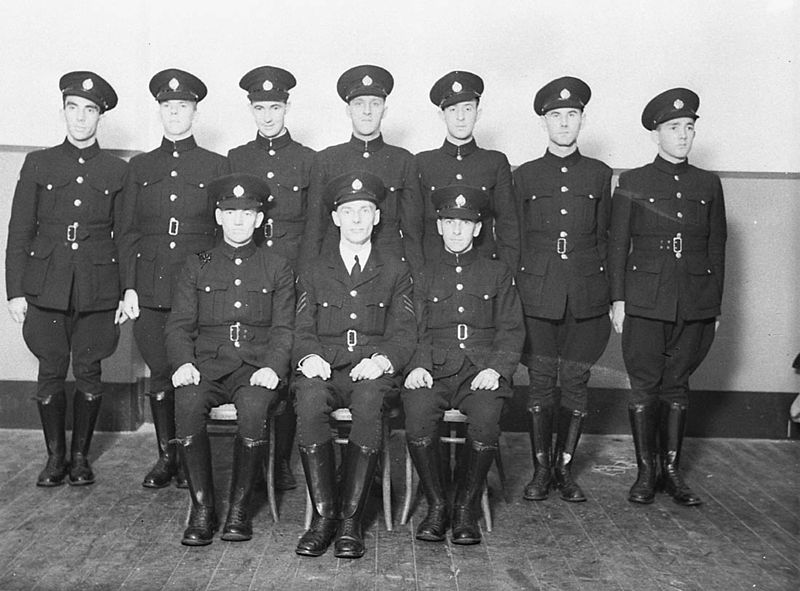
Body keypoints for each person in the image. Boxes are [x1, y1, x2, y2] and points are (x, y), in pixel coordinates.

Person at [5, 71, 127, 487]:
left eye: (89, 110)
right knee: (50, 370)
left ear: (100, 118)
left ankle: (81, 458)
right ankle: (55, 458)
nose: (80, 118)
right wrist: (15, 290)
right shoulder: (39, 162)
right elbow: (19, 230)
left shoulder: (116, 169)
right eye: (73, 108)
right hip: (46, 285)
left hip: (97, 286)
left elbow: (125, 235)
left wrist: (126, 291)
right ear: (63, 112)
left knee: (90, 371)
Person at [609, 88, 726, 506]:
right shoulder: (634, 182)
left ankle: (672, 472)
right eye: (674, 128)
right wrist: (618, 300)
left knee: (677, 386)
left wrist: (713, 304)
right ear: (655, 135)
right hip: (644, 301)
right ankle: (646, 473)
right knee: (644, 387)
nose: (683, 135)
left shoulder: (707, 184)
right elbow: (617, 245)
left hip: (693, 300)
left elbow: (716, 247)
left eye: (689, 128)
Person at [164, 173, 295, 545]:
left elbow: (285, 328)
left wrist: (273, 367)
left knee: (255, 409)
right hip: (206, 364)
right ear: (219, 217)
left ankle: (239, 508)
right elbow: (179, 325)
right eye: (230, 212)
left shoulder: (277, 266)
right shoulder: (198, 264)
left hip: (255, 367)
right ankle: (203, 509)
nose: (239, 221)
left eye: (248, 213)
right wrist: (183, 364)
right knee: (187, 403)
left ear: (259, 220)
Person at [293, 171, 415, 559]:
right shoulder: (313, 268)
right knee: (309, 402)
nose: (358, 219)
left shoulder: (395, 269)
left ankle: (350, 521)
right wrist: (310, 357)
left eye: (365, 211)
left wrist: (382, 361)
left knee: (368, 406)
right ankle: (324, 516)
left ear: (377, 217)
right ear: (335, 218)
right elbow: (300, 325)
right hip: (325, 368)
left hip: (371, 372)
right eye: (349, 211)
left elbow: (405, 331)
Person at [119, 68, 228, 489]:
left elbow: (221, 236)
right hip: (147, 288)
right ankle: (168, 459)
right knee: (160, 373)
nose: (175, 113)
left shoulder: (217, 165)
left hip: (196, 289)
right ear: (160, 111)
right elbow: (127, 232)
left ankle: (192, 456)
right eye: (168, 106)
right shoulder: (140, 166)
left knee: (192, 372)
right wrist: (129, 285)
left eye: (182, 106)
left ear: (195, 112)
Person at [403, 185, 523, 545]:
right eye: (449, 223)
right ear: (439, 227)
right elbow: (412, 327)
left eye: (465, 223)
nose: (457, 230)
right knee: (418, 413)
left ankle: (465, 508)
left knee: (486, 420)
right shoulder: (423, 273)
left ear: (478, 228)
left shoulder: (497, 273)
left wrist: (496, 369)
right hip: (435, 370)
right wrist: (418, 365)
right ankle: (438, 505)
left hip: (480, 372)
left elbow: (512, 328)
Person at [513, 77, 612, 503]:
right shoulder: (526, 175)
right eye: (556, 115)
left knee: (575, 380)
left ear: (582, 119)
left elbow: (606, 236)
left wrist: (609, 294)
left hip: (586, 294)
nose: (564, 122)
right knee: (539, 382)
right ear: (544, 123)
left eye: (572, 115)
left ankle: (565, 471)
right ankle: (540, 471)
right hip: (537, 294)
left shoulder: (599, 174)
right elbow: (514, 239)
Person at [228, 65, 315, 491]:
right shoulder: (237, 159)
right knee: (257, 359)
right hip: (251, 279)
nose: (267, 116)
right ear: (250, 109)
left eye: (275, 107)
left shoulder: (308, 160)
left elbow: (317, 229)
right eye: (259, 108)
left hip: (293, 277)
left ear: (287, 107)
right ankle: (253, 454)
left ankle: (281, 461)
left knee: (289, 366)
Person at [300, 65, 424, 276]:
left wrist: (417, 280)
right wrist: (307, 279)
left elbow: (412, 232)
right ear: (348, 110)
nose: (367, 111)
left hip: (390, 267)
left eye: (375, 104)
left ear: (384, 110)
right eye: (359, 104)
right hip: (337, 268)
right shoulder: (326, 160)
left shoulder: (404, 160)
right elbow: (315, 228)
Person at [416, 71, 518, 269]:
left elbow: (508, 227)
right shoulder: (423, 163)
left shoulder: (495, 162)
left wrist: (506, 275)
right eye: (453, 110)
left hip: (484, 272)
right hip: (435, 272)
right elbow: (414, 227)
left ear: (478, 113)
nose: (461, 117)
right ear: (441, 115)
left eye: (468, 109)